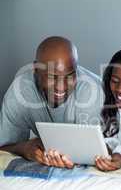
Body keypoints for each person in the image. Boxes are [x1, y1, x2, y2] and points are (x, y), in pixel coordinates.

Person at [0, 36, 103, 168]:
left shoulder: (92, 91)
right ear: (36, 70)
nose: (61, 87)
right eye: (51, 77)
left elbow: (97, 153)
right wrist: (24, 148)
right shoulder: (20, 90)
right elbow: (4, 147)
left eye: (70, 75)